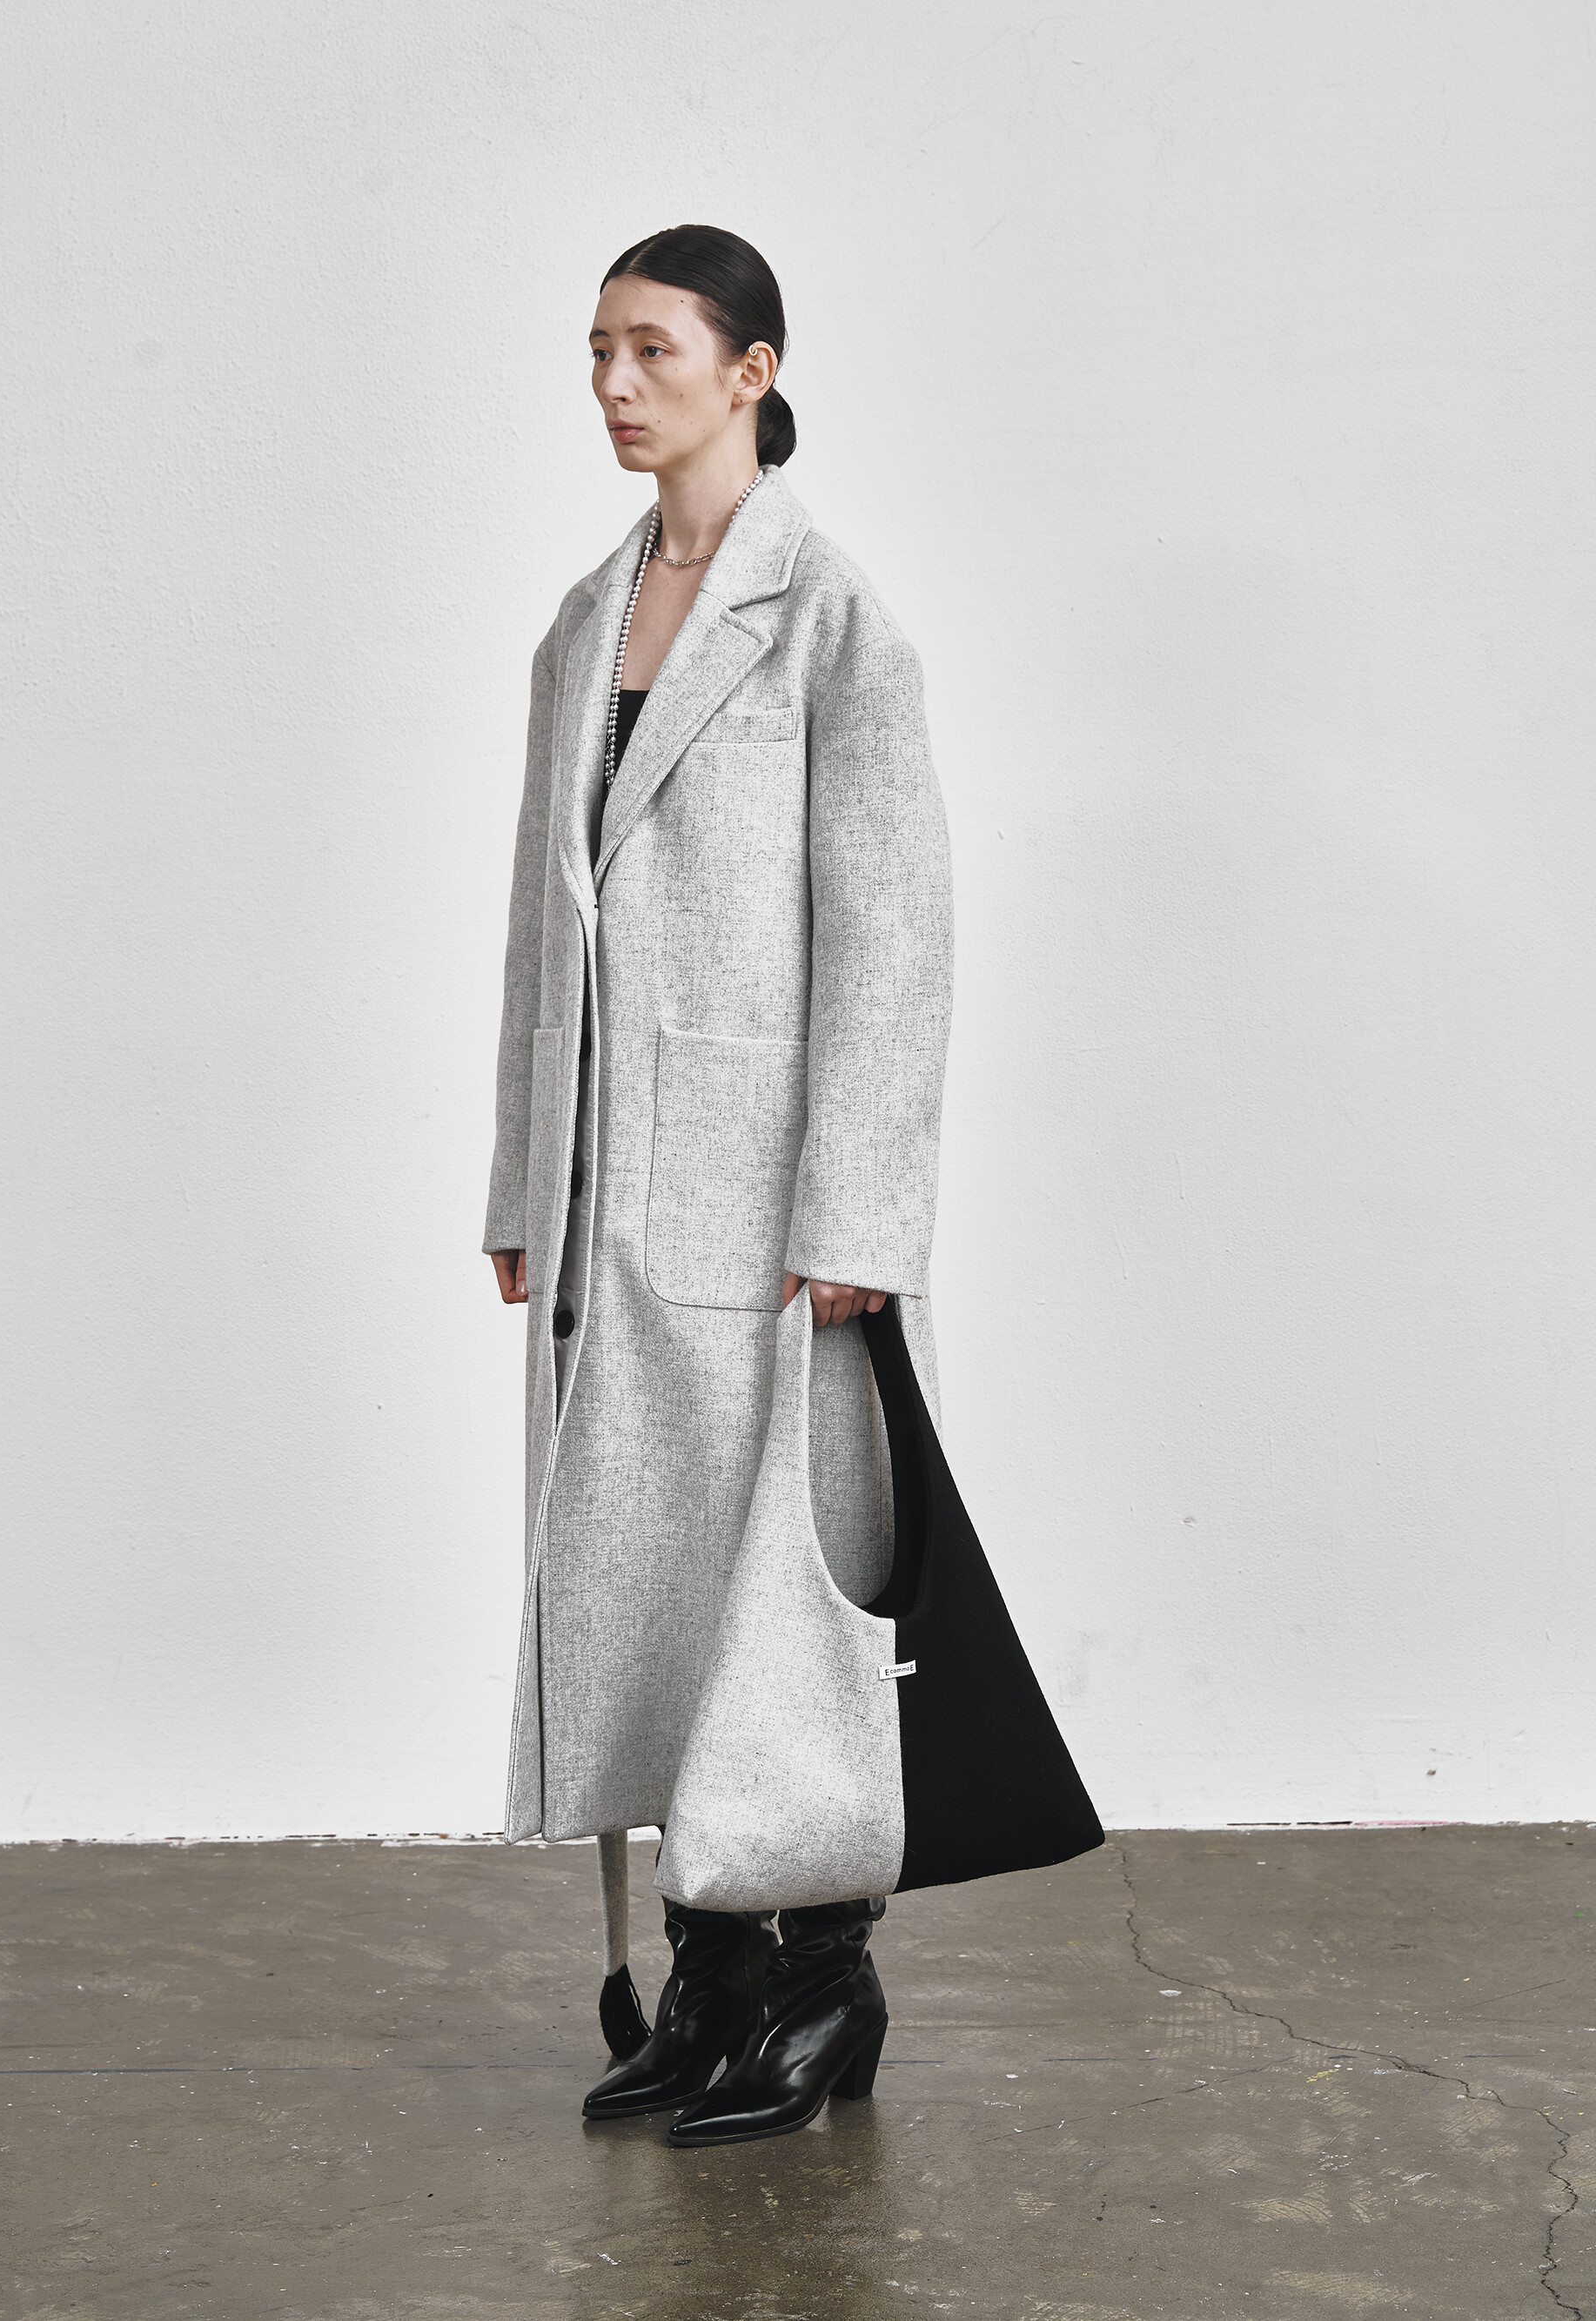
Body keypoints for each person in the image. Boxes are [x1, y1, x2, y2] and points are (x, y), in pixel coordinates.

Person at [482, 224, 953, 2147]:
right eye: (597, 348)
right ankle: (711, 1979)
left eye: (653, 349)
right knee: (647, 1595)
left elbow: (895, 936)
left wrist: (861, 1215)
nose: (614, 383)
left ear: (752, 370)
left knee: (779, 1602)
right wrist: (521, 1175)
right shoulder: (583, 621)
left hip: (770, 1217)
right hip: (607, 1199)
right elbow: (543, 931)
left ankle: (819, 1982)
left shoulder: (833, 620)